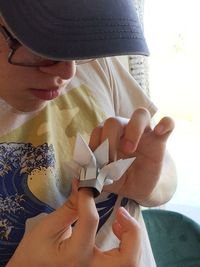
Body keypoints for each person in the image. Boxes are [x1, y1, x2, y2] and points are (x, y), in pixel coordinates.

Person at [0, 0, 177, 266]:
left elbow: (166, 176)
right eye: (42, 44)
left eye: (80, 45)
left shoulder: (95, 65)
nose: (68, 71)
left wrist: (149, 183)